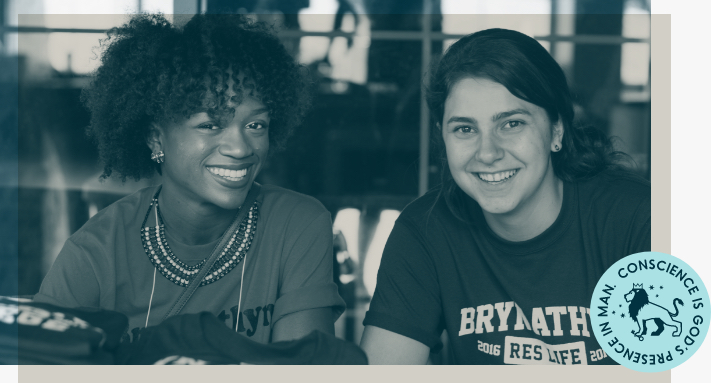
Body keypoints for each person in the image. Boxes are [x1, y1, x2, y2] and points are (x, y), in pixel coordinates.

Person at [33, 13, 345, 344]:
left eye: (256, 125)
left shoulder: (296, 226)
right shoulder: (95, 255)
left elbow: (304, 368)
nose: (240, 148)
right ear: (156, 138)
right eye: (210, 125)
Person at [360, 28, 650, 364]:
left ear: (556, 128)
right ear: (443, 138)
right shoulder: (425, 231)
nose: (487, 153)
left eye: (511, 124)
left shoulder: (640, 219)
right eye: (465, 129)